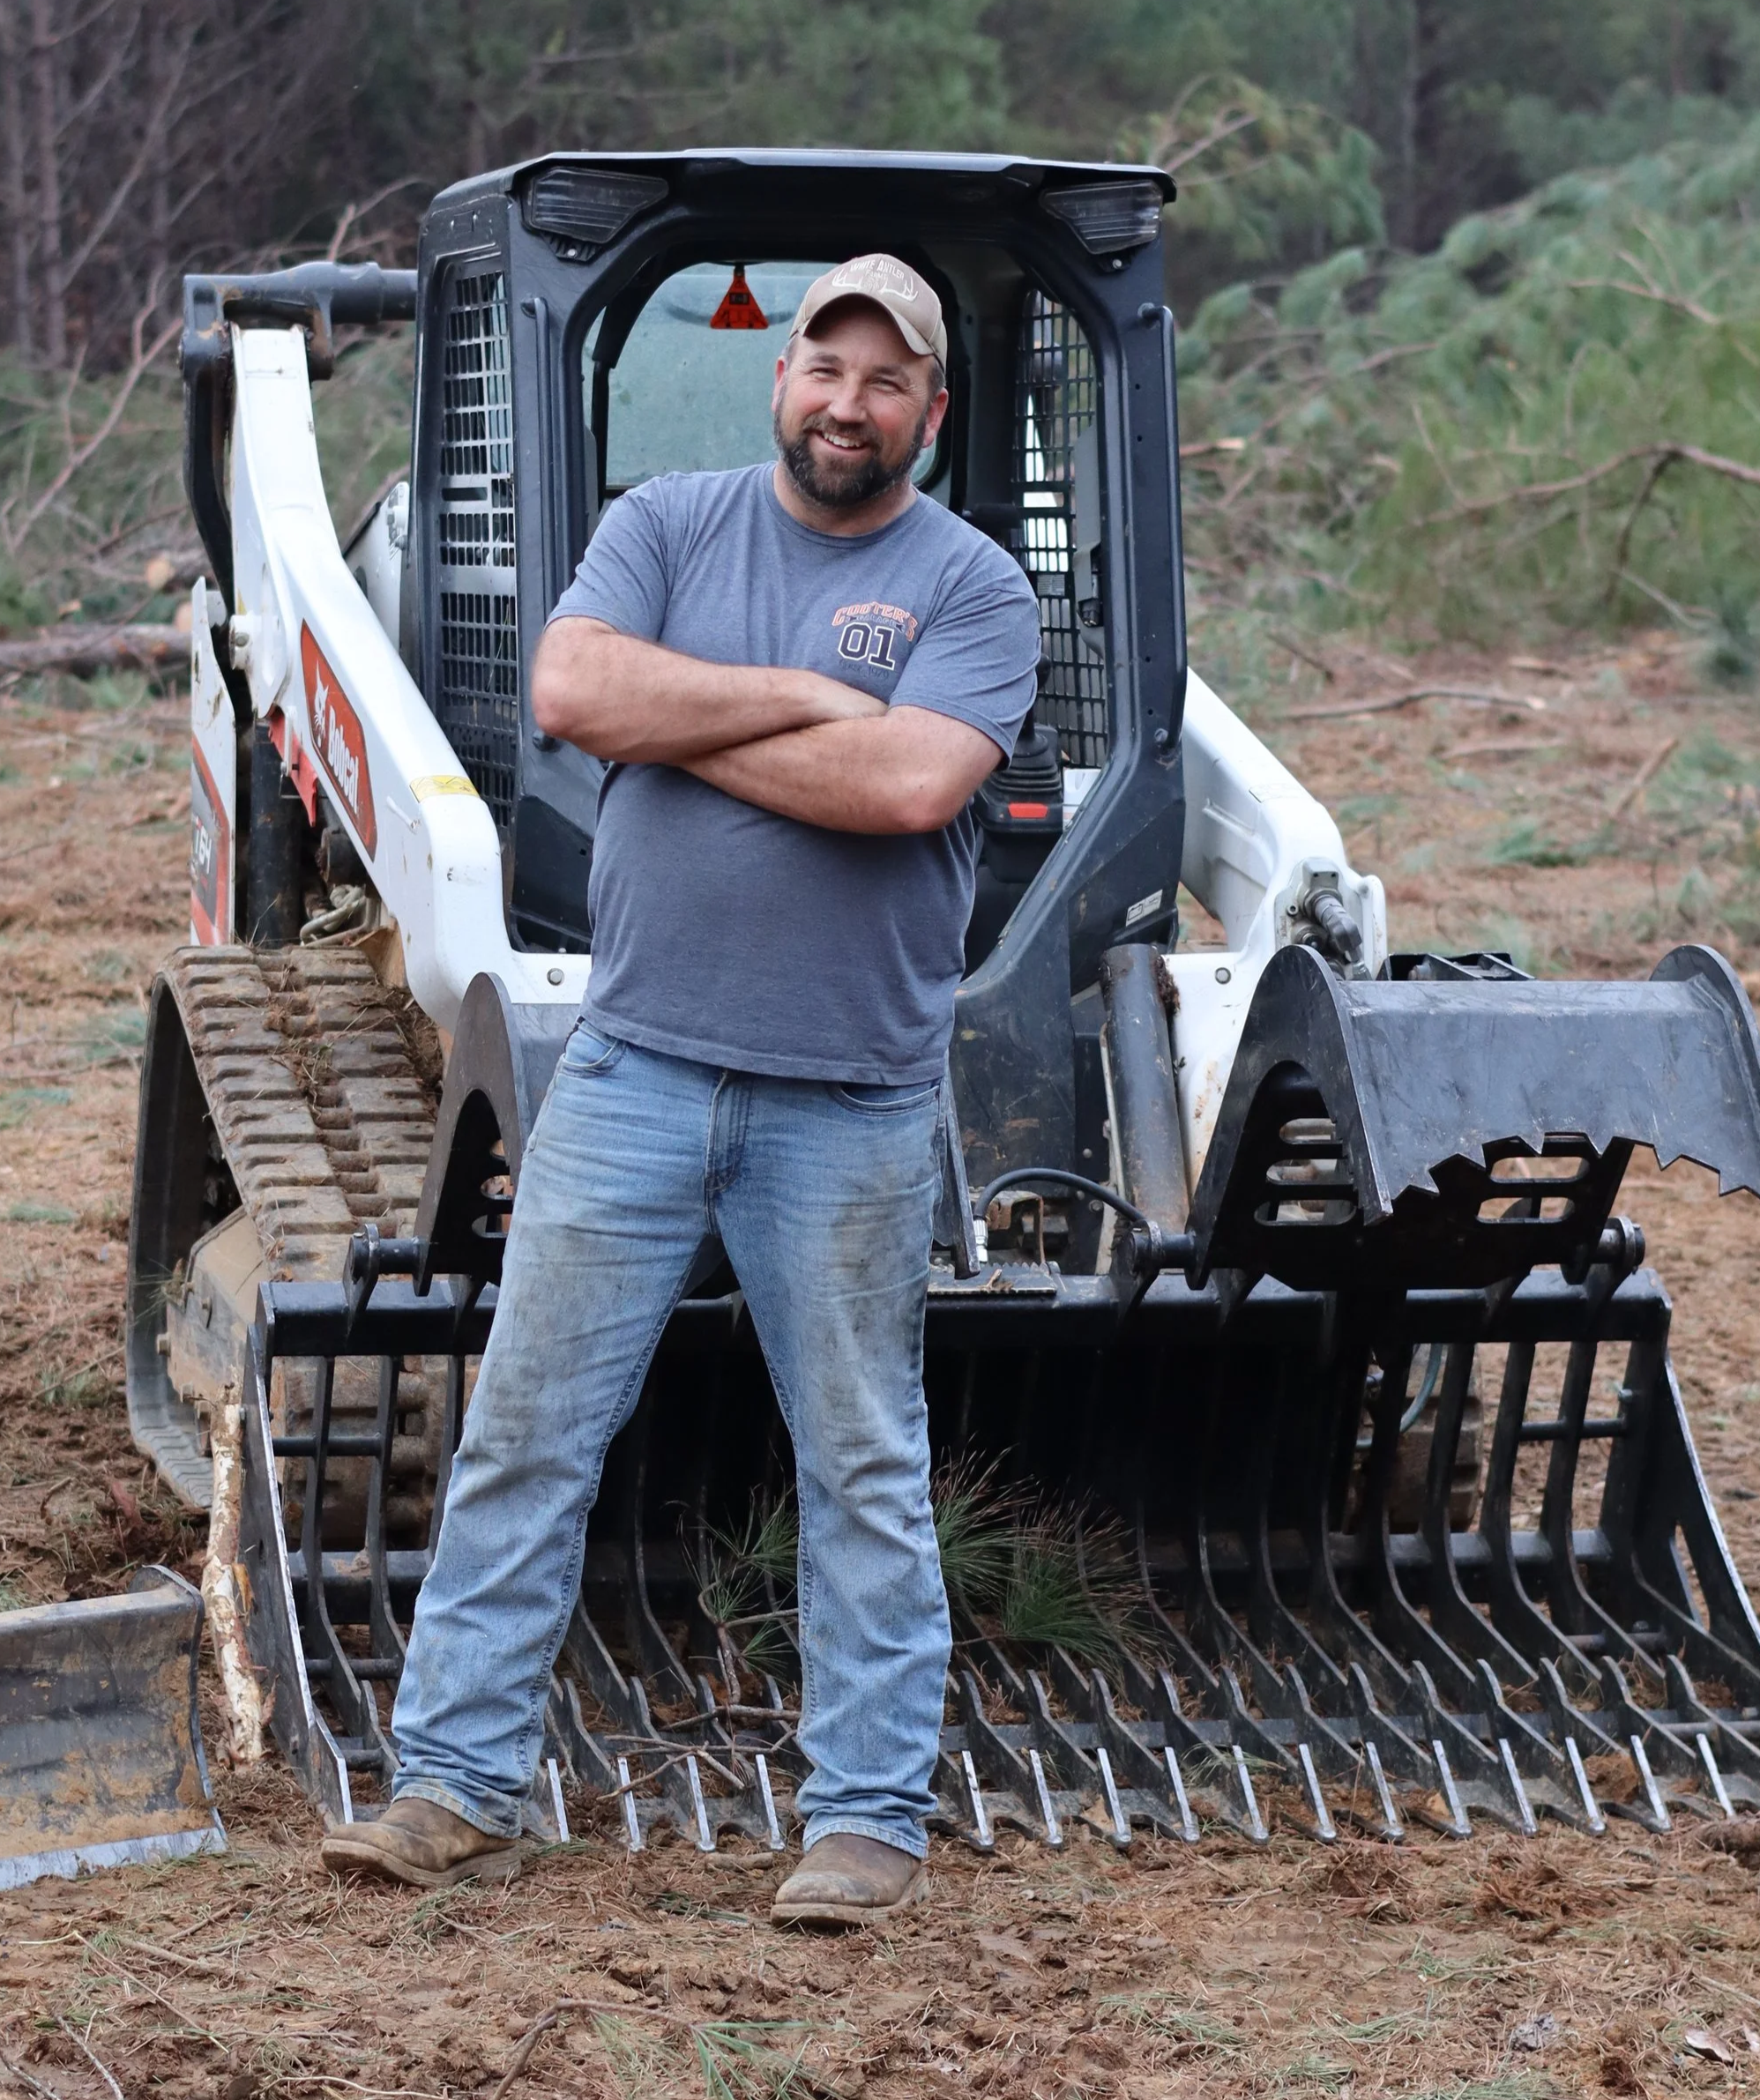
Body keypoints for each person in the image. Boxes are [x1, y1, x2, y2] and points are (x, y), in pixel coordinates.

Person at [322, 253, 1040, 1925]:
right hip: (632, 1068)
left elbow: (915, 779)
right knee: (525, 1433)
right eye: (822, 367)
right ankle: (458, 1787)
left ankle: (862, 1821)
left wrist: (683, 721)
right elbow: (574, 694)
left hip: (849, 1103)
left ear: (928, 409)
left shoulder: (979, 587)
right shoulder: (665, 525)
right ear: (777, 377)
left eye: (885, 381)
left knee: (859, 1461)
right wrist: (805, 699)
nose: (846, 403)